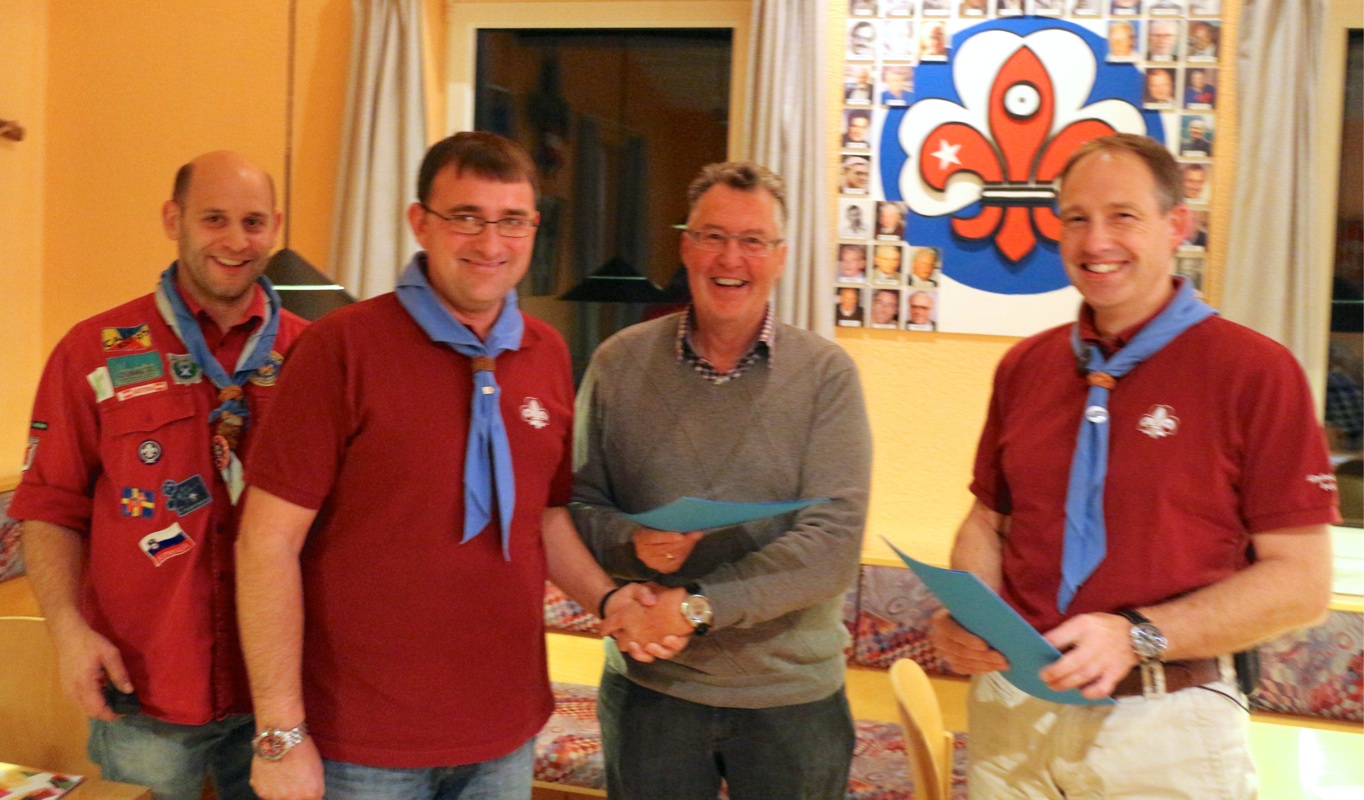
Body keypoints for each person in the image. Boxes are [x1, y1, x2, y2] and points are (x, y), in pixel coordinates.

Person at [233, 132, 677, 800]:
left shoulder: (546, 352)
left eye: (512, 220)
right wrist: (279, 732)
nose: (490, 243)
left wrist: (609, 600)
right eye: (466, 217)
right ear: (421, 223)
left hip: (504, 733)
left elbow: (542, 517)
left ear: (534, 228)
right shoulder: (340, 349)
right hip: (362, 742)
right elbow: (265, 544)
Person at [930, 133, 1336, 799]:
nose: (1096, 242)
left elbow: (1302, 583)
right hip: (1012, 715)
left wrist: (1140, 636)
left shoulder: (1257, 372)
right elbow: (987, 522)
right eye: (1076, 218)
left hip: (1164, 722)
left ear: (1177, 225)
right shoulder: (1025, 367)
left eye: (1123, 216)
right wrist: (973, 617)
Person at [11, 151, 310, 800]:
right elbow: (49, 507)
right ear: (173, 220)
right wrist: (67, 632)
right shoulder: (92, 351)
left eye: (253, 222)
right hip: (143, 689)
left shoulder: (313, 356)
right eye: (214, 219)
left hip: (282, 696)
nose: (236, 241)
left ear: (276, 227)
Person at [571, 161, 873, 800]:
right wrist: (632, 543)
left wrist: (696, 606)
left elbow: (832, 544)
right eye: (712, 236)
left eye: (753, 240)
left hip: (791, 702)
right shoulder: (618, 363)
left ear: (781, 257)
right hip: (650, 690)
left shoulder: (827, 375)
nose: (731, 258)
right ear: (685, 247)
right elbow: (580, 505)